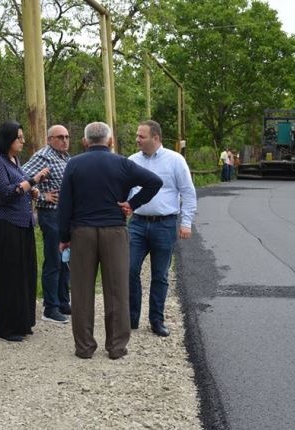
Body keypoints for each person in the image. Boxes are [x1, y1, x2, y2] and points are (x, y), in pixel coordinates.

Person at [57, 122, 162, 359]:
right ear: (110, 141)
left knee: (82, 290)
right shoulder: (123, 163)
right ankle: (116, 347)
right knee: (116, 290)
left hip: (82, 232)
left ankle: (84, 347)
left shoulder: (74, 164)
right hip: (114, 230)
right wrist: (132, 205)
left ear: (85, 142)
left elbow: (65, 204)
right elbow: (155, 182)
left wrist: (64, 237)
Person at [128, 120, 197, 337]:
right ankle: (131, 318)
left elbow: (187, 192)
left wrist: (186, 223)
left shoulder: (175, 160)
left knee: (160, 275)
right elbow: (124, 191)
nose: (137, 140)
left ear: (156, 138)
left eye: (142, 136)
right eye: (137, 136)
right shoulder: (132, 161)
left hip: (164, 225)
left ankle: (156, 320)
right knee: (129, 270)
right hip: (137, 224)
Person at [0, 121, 50, 342]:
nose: (22, 141)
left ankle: (22, 322)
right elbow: (5, 192)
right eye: (18, 138)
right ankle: (7, 326)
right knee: (9, 276)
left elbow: (20, 188)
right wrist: (32, 180)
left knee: (25, 274)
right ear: (7, 139)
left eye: (22, 137)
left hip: (23, 224)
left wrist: (31, 190)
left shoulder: (14, 161)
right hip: (6, 225)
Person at [22, 125, 71, 323]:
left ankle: (62, 301)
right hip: (50, 215)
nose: (65, 140)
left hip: (64, 215)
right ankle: (50, 308)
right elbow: (21, 176)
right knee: (53, 260)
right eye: (60, 137)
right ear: (50, 139)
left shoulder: (65, 157)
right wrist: (41, 195)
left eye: (67, 136)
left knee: (64, 260)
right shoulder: (44, 156)